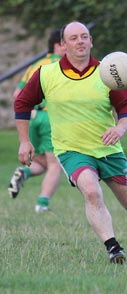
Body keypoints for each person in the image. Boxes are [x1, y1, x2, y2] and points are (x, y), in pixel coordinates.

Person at [14, 21, 127, 264]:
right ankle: (113, 247)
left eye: (84, 37)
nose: (80, 41)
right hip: (71, 150)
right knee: (91, 190)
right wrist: (24, 141)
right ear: (63, 45)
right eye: (73, 38)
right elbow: (22, 103)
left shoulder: (107, 72)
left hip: (108, 150)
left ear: (91, 41)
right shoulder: (46, 74)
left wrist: (120, 127)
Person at [8, 29, 65, 212]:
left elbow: (18, 94)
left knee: (42, 162)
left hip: (32, 118)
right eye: (68, 42)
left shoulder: (37, 65)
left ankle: (24, 172)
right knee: (56, 164)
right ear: (59, 44)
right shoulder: (63, 66)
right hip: (51, 118)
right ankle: (42, 204)